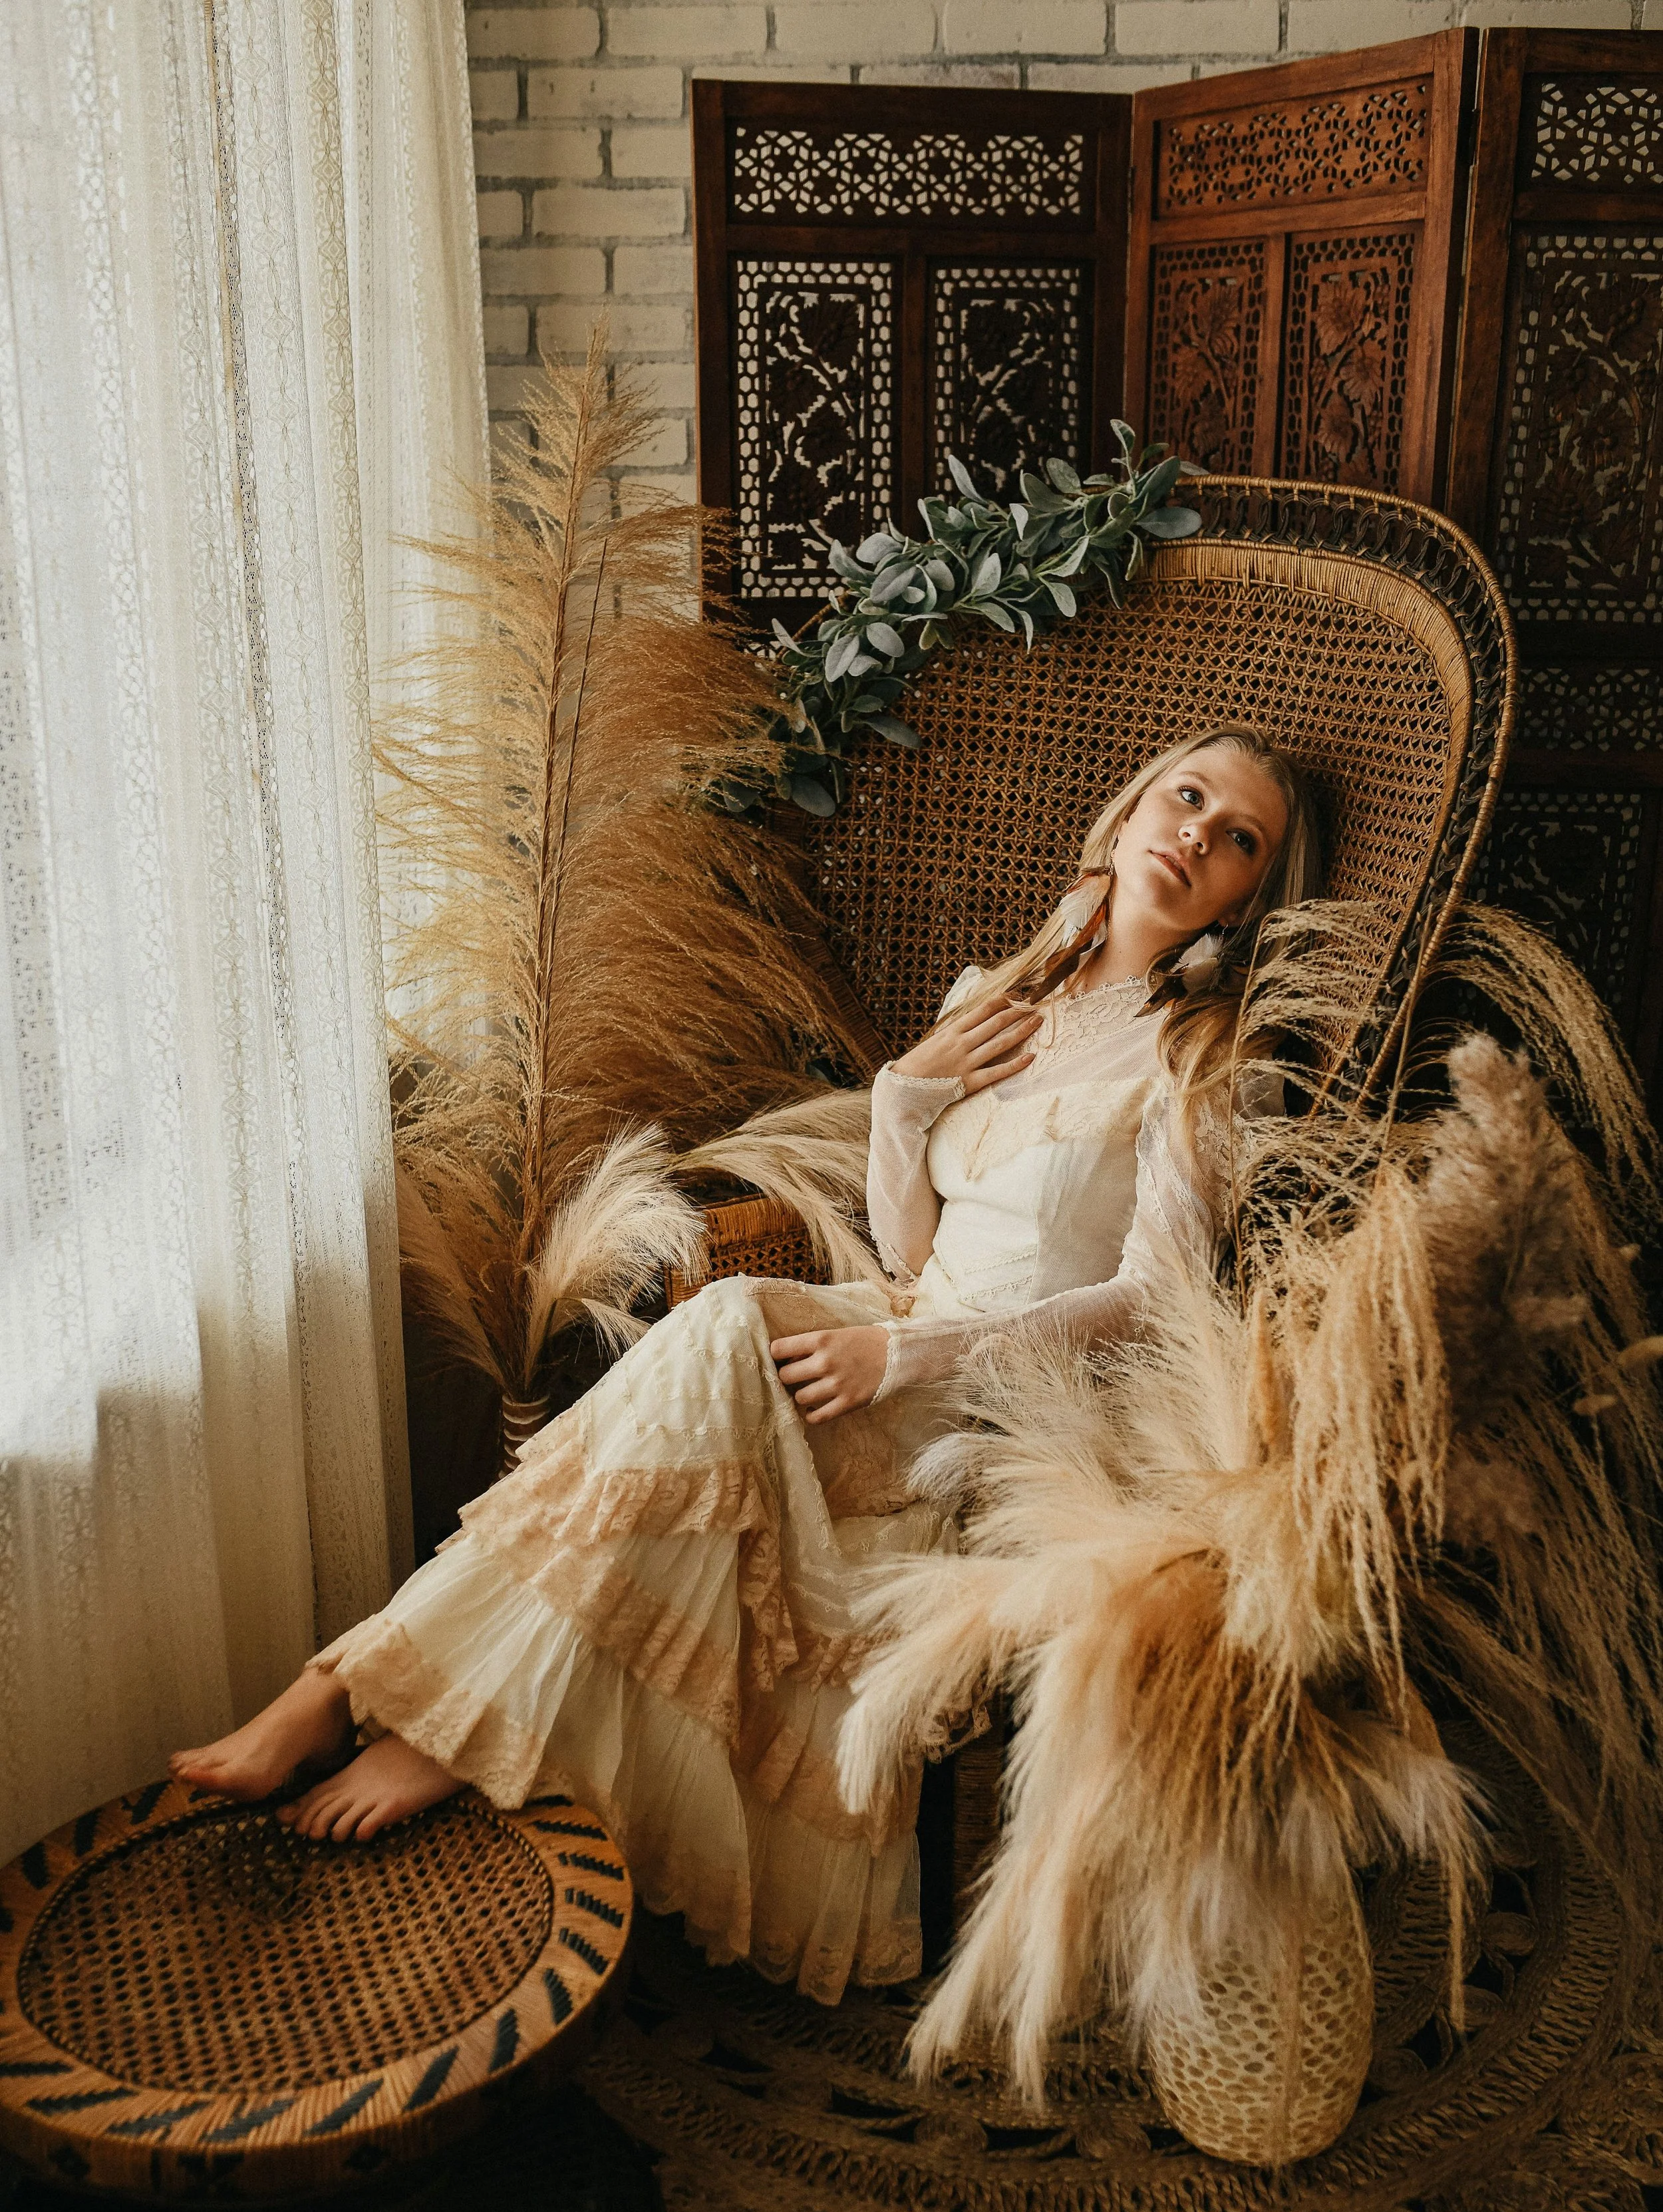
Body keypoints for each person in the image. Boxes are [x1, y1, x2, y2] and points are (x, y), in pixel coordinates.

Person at [172, 726, 1324, 2006]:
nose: (1198, 836)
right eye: (1188, 796)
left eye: (1240, 843)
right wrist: (900, 1097)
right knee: (722, 1325)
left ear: (1247, 896)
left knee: (718, 1334)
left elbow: (1148, 1301)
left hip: (1001, 1396)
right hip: (892, 1310)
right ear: (1129, 809)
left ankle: (381, 1689)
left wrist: (903, 1353)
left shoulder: (1206, 1064)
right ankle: (404, 1696)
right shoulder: (1004, 999)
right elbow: (911, 1242)